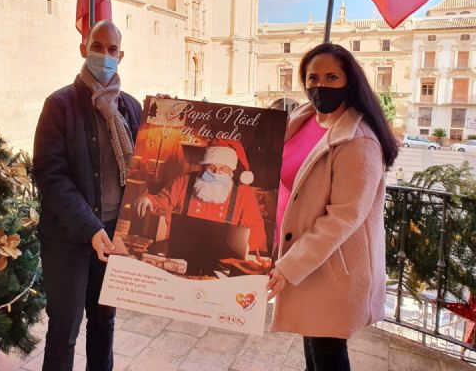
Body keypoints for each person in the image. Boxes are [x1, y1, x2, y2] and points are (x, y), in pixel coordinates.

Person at [267, 43, 399, 371]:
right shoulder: (303, 119)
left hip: (329, 267)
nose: (320, 86)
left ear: (349, 82)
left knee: (326, 354)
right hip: (298, 256)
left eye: (331, 77)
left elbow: (343, 216)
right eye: (312, 78)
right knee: (312, 346)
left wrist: (288, 266)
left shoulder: (359, 140)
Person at [33, 20, 142, 371]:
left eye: (112, 50)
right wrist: (89, 227)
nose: (105, 56)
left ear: (121, 55)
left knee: (104, 323)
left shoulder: (132, 108)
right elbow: (51, 176)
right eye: (98, 47)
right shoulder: (59, 105)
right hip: (68, 238)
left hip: (113, 237)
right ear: (84, 48)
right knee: (64, 329)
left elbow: (146, 169)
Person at [134, 139, 267, 256]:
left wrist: (245, 247)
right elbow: (162, 201)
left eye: (223, 169)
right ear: (203, 167)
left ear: (231, 171)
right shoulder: (184, 181)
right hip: (182, 250)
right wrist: (148, 199)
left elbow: (255, 227)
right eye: (211, 167)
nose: (216, 173)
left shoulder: (243, 192)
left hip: (223, 258)